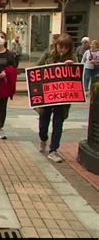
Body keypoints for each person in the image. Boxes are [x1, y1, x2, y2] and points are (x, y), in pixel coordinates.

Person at [38, 33, 76, 163]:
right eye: (61, 47)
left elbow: (77, 77)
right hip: (48, 96)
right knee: (44, 121)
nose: (63, 50)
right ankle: (43, 138)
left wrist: (73, 67)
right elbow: (36, 71)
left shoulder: (73, 58)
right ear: (56, 46)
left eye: (66, 48)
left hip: (62, 98)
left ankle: (53, 149)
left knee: (58, 123)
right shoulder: (48, 56)